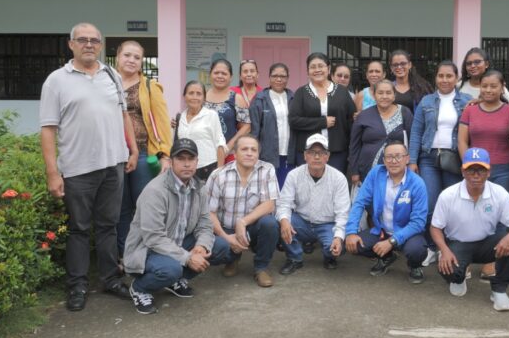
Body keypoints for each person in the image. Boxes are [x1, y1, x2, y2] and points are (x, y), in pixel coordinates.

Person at [39, 22, 134, 311]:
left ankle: (109, 278)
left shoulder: (112, 75)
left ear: (101, 45)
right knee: (79, 229)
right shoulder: (56, 80)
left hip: (112, 165)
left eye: (94, 40)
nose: (89, 44)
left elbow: (123, 115)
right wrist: (53, 172)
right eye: (82, 40)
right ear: (71, 45)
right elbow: (47, 129)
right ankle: (77, 285)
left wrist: (132, 149)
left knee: (108, 226)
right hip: (78, 169)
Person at [123, 138, 233, 315]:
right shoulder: (155, 191)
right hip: (146, 250)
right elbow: (153, 238)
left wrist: (201, 246)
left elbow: (205, 223)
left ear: (197, 162)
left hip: (178, 243)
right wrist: (188, 258)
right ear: (171, 161)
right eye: (181, 159)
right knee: (171, 269)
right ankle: (140, 288)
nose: (187, 164)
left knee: (220, 247)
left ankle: (175, 280)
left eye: (191, 159)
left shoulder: (200, 188)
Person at [430, 148, 509, 311]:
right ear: (463, 171)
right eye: (470, 170)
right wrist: (444, 250)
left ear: (489, 172)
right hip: (458, 244)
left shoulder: (499, 193)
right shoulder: (448, 195)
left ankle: (499, 290)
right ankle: (458, 278)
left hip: (486, 244)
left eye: (481, 169)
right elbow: (435, 227)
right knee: (449, 270)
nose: (476, 175)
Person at [408, 61, 471, 266]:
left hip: (454, 158)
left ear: (457, 78)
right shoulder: (426, 101)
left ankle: (452, 249)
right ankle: (432, 247)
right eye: (441, 76)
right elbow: (416, 133)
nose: (444, 80)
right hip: (428, 158)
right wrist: (412, 161)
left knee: (453, 206)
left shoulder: (467, 101)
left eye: (449, 76)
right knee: (429, 205)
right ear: (436, 78)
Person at [115, 40, 172, 257]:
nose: (131, 60)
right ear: (118, 56)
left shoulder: (149, 87)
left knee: (145, 208)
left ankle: (149, 253)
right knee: (120, 210)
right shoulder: (106, 84)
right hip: (114, 157)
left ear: (141, 62)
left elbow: (163, 122)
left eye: (137, 57)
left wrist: (165, 155)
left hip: (143, 157)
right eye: (127, 55)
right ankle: (125, 255)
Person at [457, 69, 509, 280]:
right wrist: (468, 167)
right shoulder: (470, 110)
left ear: (502, 87)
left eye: (493, 86)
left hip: (505, 169)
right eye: (484, 86)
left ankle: (491, 261)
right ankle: (466, 258)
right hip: (475, 168)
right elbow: (462, 141)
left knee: (498, 216)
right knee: (470, 213)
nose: (489, 90)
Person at [345, 140, 428, 284]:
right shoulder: (376, 173)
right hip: (382, 231)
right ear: (383, 160)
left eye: (398, 156)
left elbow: (418, 222)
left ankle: (415, 266)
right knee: (355, 244)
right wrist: (351, 231)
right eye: (389, 157)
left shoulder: (417, 183)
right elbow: (359, 203)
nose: (393, 161)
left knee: (417, 250)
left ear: (407, 159)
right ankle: (387, 257)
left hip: (407, 233)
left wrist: (392, 241)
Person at [205, 135, 281, 288]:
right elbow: (209, 213)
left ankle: (261, 267)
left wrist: (243, 222)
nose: (249, 153)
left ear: (258, 153)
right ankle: (232, 259)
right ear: (235, 152)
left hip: (251, 227)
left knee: (270, 223)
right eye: (244, 149)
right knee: (218, 248)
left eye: (254, 150)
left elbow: (269, 205)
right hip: (225, 229)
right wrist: (226, 237)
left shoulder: (267, 170)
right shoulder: (218, 175)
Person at [277, 134, 351, 274]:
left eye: (321, 153)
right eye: (312, 153)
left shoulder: (339, 178)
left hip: (327, 224)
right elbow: (284, 203)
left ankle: (329, 257)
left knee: (337, 244)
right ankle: (294, 258)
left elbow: (343, 212)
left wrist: (338, 237)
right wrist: (285, 221)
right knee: (282, 221)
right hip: (302, 222)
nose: (316, 157)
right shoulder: (294, 175)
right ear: (305, 155)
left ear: (327, 156)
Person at [288, 52, 356, 177]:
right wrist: (322, 122)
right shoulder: (301, 93)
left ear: (328, 69)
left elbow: (351, 121)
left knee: (335, 187)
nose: (317, 70)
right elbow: (293, 120)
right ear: (307, 71)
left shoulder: (341, 92)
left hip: (337, 152)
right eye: (313, 67)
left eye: (321, 66)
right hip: (308, 153)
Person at [349, 79, 413, 183]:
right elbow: (354, 146)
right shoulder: (363, 116)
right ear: (374, 95)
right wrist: (354, 171)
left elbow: (412, 141)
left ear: (394, 95)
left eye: (388, 93)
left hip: (398, 170)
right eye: (380, 93)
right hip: (367, 171)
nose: (384, 96)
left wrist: (412, 163)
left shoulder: (404, 112)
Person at [250, 62, 295, 187]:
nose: (279, 79)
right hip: (267, 155)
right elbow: (255, 131)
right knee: (268, 190)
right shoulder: (260, 99)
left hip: (289, 154)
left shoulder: (294, 98)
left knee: (286, 190)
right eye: (275, 76)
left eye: (283, 76)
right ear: (269, 77)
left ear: (287, 78)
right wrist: (254, 153)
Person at [175, 81, 227, 182]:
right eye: (191, 93)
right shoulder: (179, 118)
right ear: (184, 96)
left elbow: (220, 143)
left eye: (199, 94)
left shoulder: (211, 115)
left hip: (208, 168)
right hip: (185, 170)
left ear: (204, 98)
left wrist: (219, 172)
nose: (194, 97)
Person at [205, 59, 251, 161]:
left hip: (228, 155)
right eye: (216, 73)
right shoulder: (201, 96)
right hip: (204, 154)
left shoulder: (236, 98)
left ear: (231, 77)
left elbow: (246, 126)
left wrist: (229, 146)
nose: (220, 76)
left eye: (224, 73)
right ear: (210, 75)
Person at [388, 49, 433, 114]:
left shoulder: (422, 87)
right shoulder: (387, 87)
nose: (399, 67)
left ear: (410, 65)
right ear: (391, 68)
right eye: (395, 65)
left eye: (403, 63)